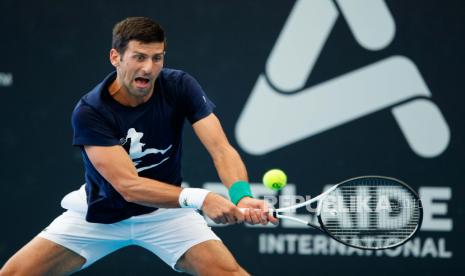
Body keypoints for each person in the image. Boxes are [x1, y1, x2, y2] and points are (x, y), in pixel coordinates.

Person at [0, 17, 277, 275]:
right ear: (115, 57)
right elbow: (129, 187)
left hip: (165, 216)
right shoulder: (91, 111)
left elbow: (221, 149)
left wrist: (241, 195)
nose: (149, 67)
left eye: (157, 58)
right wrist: (202, 198)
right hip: (100, 216)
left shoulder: (179, 86)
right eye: (139, 57)